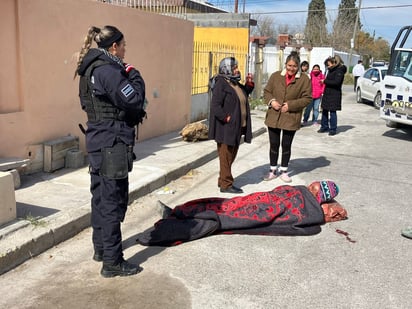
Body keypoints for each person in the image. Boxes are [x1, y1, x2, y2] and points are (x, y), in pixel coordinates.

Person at [74, 25, 146, 277]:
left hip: (97, 140)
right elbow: (134, 100)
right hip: (111, 143)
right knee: (112, 202)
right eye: (123, 45)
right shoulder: (108, 71)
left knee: (100, 199)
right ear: (113, 47)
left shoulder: (89, 70)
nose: (125, 50)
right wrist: (134, 74)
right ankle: (112, 262)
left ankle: (101, 249)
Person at [137, 180, 347, 246]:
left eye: (317, 187)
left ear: (321, 196)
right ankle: (178, 211)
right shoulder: (301, 194)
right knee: (221, 203)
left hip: (260, 212)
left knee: (217, 219)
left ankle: (171, 223)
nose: (312, 185)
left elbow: (296, 223)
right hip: (257, 201)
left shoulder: (308, 211)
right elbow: (275, 192)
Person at [263, 51, 312, 183]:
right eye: (289, 65)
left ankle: (284, 170)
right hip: (274, 116)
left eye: (294, 66)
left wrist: (290, 105)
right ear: (285, 65)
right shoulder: (275, 76)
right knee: (274, 144)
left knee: (286, 145)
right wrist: (272, 101)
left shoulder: (304, 79)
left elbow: (307, 98)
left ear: (298, 66)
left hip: (291, 117)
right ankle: (272, 170)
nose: (291, 69)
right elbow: (267, 92)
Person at [208, 57, 254, 194]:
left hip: (236, 127)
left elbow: (243, 94)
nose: (237, 70)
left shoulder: (234, 83)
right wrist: (226, 118)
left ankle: (222, 180)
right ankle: (226, 184)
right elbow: (215, 106)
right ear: (226, 69)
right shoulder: (221, 84)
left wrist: (249, 85)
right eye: (234, 68)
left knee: (230, 156)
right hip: (225, 128)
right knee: (226, 156)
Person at [318, 55, 347, 136]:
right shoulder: (330, 70)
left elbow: (337, 82)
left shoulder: (339, 71)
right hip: (327, 93)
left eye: (329, 64)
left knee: (332, 112)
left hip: (334, 94)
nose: (328, 66)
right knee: (324, 110)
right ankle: (324, 126)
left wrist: (325, 81)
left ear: (334, 63)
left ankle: (333, 129)